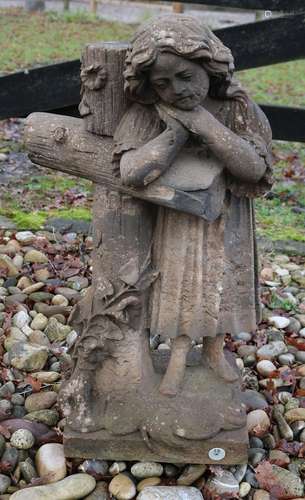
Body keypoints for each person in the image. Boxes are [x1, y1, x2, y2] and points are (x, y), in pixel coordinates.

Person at [113, 14, 272, 397]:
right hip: (178, 218)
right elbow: (131, 170)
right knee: (179, 284)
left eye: (186, 76)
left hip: (228, 216)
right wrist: (174, 135)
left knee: (224, 284)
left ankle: (216, 351)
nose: (177, 90)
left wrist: (203, 123)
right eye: (162, 83)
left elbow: (253, 167)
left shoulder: (234, 105)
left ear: (209, 65)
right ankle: (179, 355)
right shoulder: (150, 111)